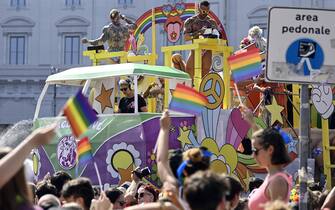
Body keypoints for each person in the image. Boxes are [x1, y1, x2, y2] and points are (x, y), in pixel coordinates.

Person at [241, 106, 292, 210]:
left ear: (270, 150)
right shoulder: (274, 176)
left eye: (255, 151)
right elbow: (263, 141)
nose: (253, 155)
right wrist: (252, 123)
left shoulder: (278, 181)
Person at [183, 0, 219, 80]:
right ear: (198, 9)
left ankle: (202, 91)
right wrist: (199, 32)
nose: (205, 13)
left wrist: (213, 34)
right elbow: (186, 37)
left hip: (207, 49)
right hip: (195, 49)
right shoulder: (190, 21)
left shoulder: (212, 22)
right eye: (203, 11)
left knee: (205, 75)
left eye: (207, 11)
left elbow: (217, 36)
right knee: (190, 73)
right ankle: (190, 89)